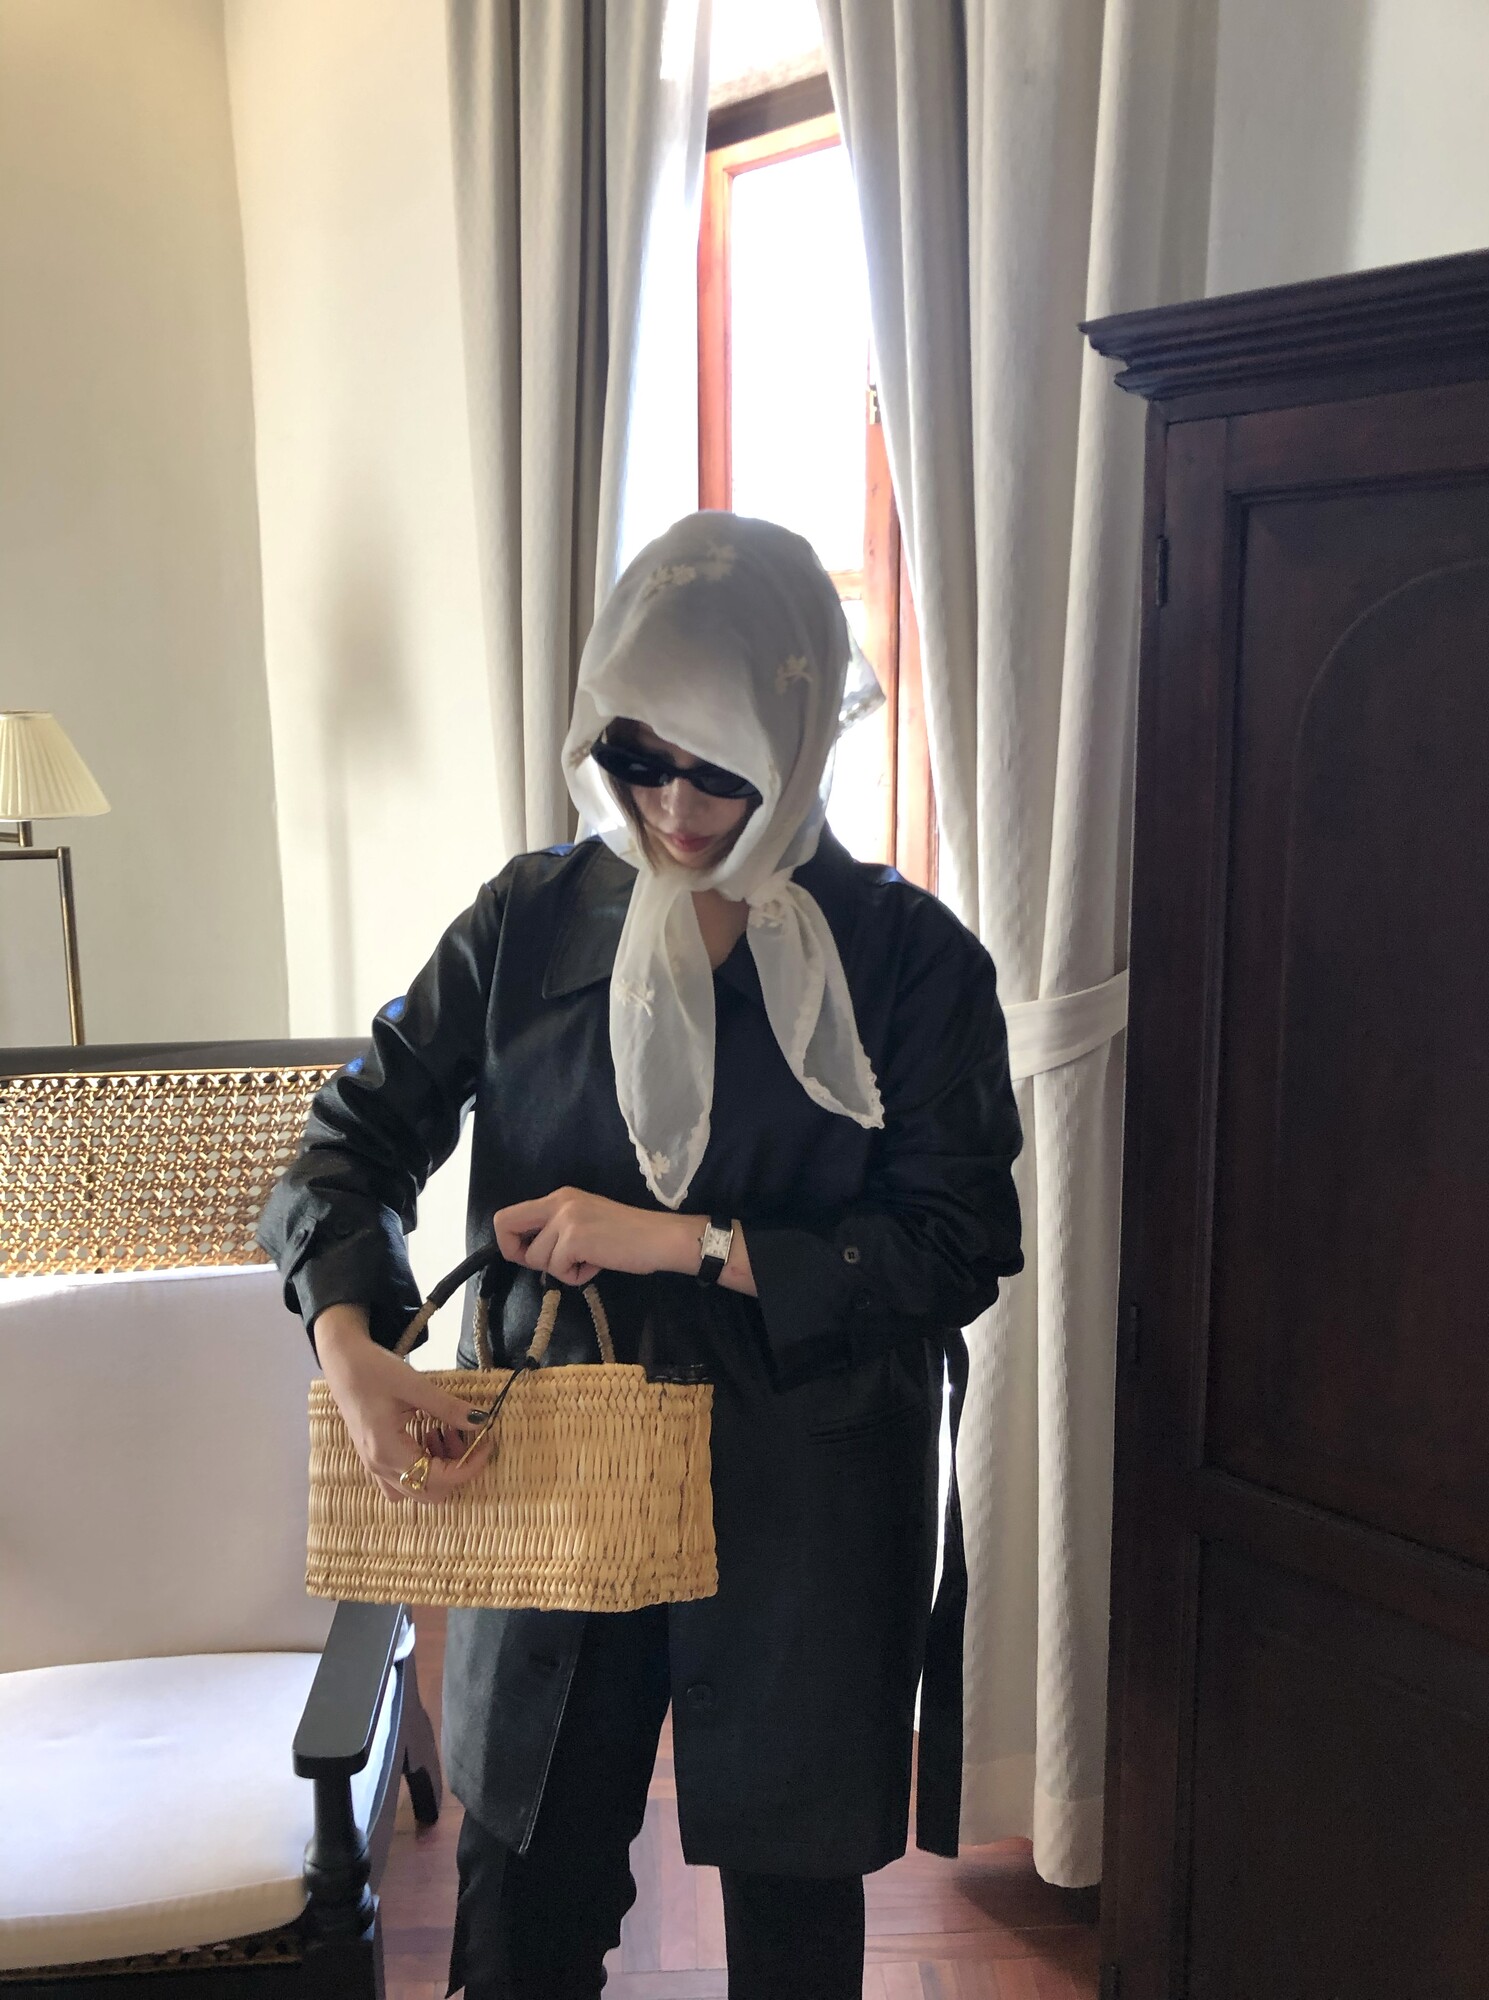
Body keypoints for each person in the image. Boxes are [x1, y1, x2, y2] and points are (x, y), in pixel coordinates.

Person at [258, 511, 1024, 2000]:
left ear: (795, 735)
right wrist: (350, 1344)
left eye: (719, 766)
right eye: (636, 755)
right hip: (556, 1486)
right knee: (519, 1924)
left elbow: (954, 1244)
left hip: (806, 1506)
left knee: (794, 1940)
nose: (673, 804)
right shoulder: (530, 920)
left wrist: (680, 1243)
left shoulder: (910, 960)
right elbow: (347, 1143)